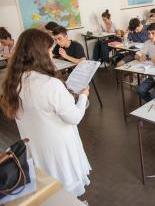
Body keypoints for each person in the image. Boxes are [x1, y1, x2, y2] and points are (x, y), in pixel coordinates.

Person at [0, 28, 91, 196]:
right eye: (50, 50)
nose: (52, 54)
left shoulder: (14, 81)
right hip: (58, 146)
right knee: (65, 183)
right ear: (40, 54)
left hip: (34, 144)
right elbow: (75, 117)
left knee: (48, 186)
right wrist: (83, 97)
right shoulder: (50, 84)